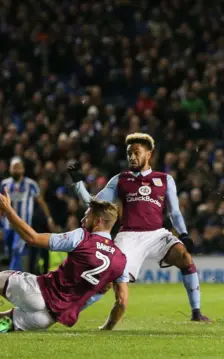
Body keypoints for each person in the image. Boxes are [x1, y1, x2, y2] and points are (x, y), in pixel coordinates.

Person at [69, 133, 210, 322]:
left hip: (157, 235)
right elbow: (93, 203)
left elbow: (174, 212)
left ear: (149, 154)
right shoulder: (120, 179)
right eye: (129, 153)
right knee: (107, 279)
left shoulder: (165, 179)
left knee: (185, 257)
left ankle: (196, 313)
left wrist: (183, 234)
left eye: (136, 153)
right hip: (129, 236)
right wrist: (78, 183)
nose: (132, 157)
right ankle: (71, 309)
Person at [0, 189, 129, 333]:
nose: (82, 221)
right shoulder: (121, 260)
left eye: (86, 216)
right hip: (44, 319)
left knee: (2, 277)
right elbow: (122, 302)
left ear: (98, 221)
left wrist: (8, 210)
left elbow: (33, 238)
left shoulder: (82, 237)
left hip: (37, 292)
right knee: (2, 324)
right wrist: (108, 327)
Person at [1, 158, 56, 271]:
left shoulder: (31, 184)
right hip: (7, 224)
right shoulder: (5, 183)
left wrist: (49, 218)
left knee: (17, 249)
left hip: (22, 224)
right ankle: (15, 275)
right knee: (11, 252)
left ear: (23, 169)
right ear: (10, 169)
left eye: (18, 167)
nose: (16, 170)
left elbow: (40, 201)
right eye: (14, 167)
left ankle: (12, 275)